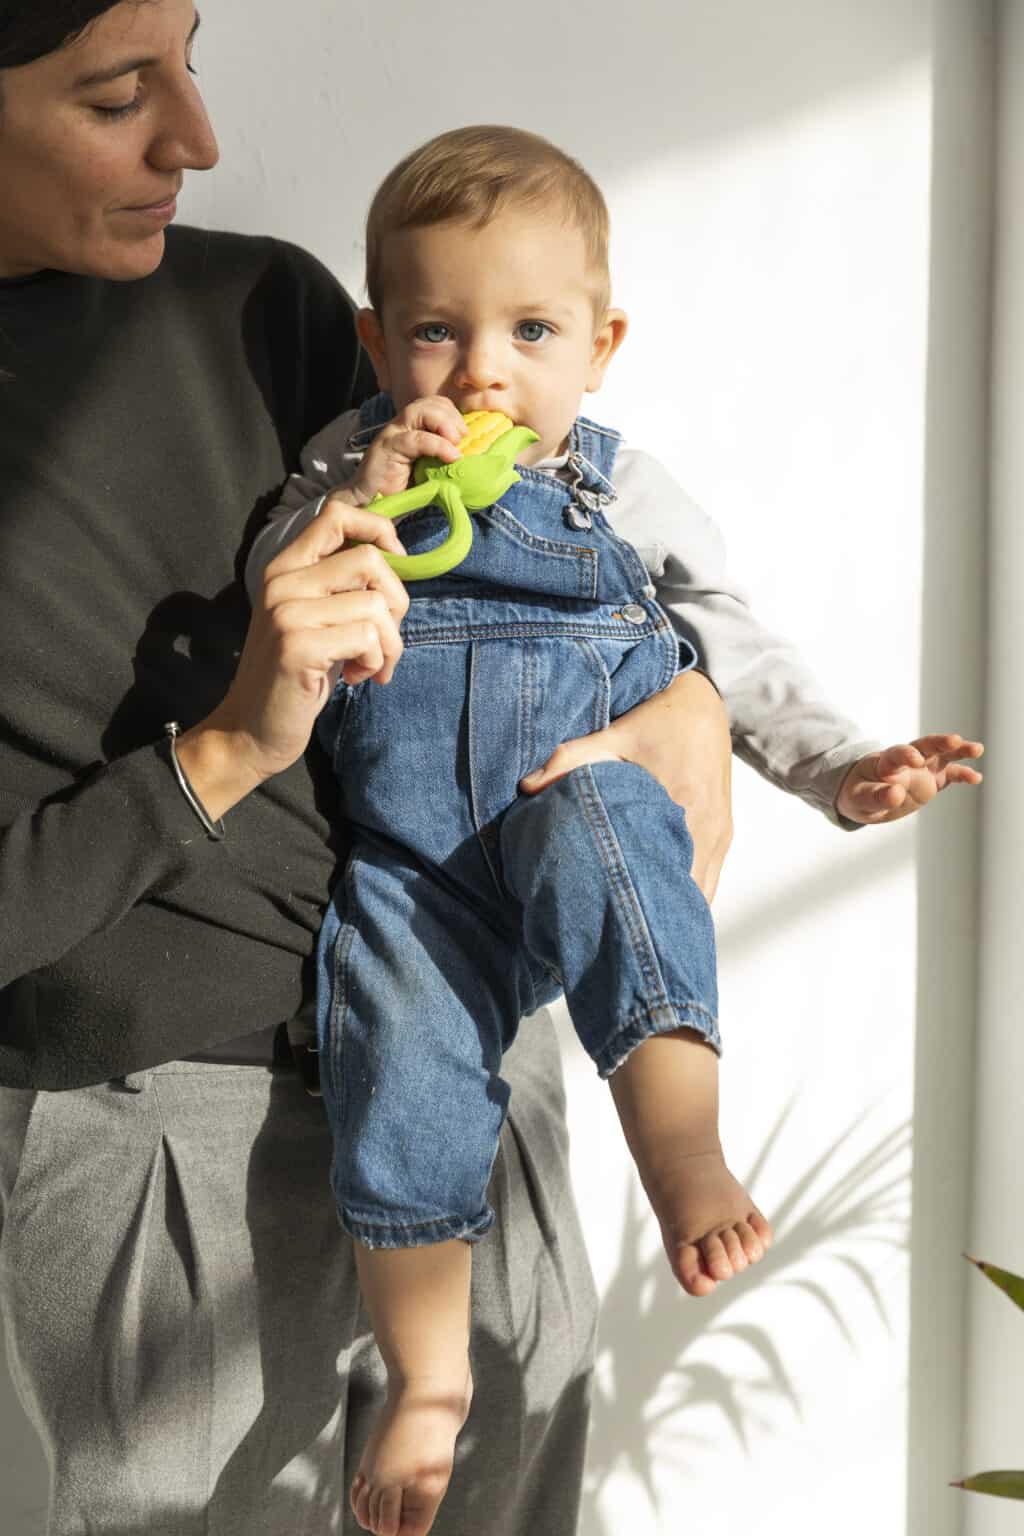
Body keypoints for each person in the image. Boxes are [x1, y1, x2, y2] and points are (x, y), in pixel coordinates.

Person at [0, 7, 744, 1536]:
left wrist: (694, 702)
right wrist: (218, 751)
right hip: (161, 1129)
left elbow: (533, 553)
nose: (196, 140)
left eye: (187, 62)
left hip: (474, 1052)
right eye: (120, 93)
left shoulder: (261, 304)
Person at [245, 125, 984, 1536]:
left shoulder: (613, 487)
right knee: (393, 1055)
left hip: (569, 796)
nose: (481, 370)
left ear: (601, 341)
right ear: (375, 338)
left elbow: (727, 637)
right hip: (416, 867)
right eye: (436, 332)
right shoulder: (347, 464)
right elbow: (270, 590)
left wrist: (840, 765)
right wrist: (364, 505)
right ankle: (430, 1379)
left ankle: (680, 1147)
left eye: (530, 331)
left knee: (611, 838)